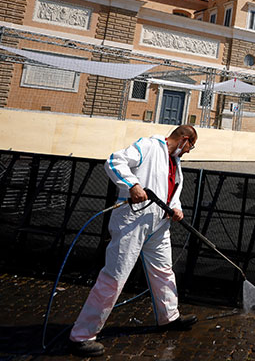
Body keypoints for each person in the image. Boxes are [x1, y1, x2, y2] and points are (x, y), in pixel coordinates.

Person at [68, 125, 199, 357]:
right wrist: (132, 185)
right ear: (184, 140)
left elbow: (171, 193)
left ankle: (169, 317)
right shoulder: (148, 146)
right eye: (191, 146)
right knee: (114, 277)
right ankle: (82, 335)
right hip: (133, 221)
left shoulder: (175, 164)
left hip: (159, 225)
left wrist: (176, 208)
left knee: (163, 272)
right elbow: (114, 161)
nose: (189, 152)